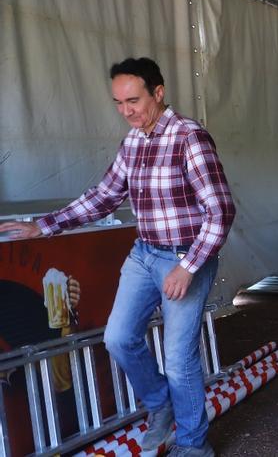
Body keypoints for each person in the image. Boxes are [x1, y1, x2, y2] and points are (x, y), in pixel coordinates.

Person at [0, 58, 235, 457]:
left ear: (158, 93)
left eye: (134, 100)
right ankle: (161, 405)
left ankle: (194, 446)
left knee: (179, 360)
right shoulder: (132, 142)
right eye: (118, 102)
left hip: (184, 256)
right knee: (119, 339)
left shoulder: (188, 137)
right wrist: (45, 226)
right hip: (144, 254)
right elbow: (105, 195)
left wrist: (187, 266)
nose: (126, 110)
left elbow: (221, 211)